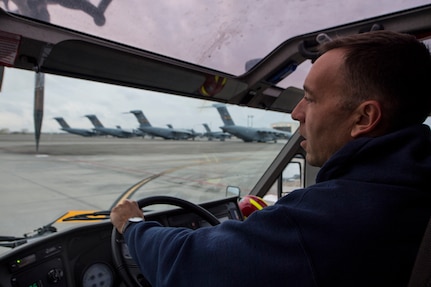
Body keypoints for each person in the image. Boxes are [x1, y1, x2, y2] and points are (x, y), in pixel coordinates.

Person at [110, 30, 431, 286]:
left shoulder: (325, 217)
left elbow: (183, 264)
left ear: (363, 118)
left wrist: (134, 225)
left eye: (310, 98)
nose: (296, 113)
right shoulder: (412, 186)